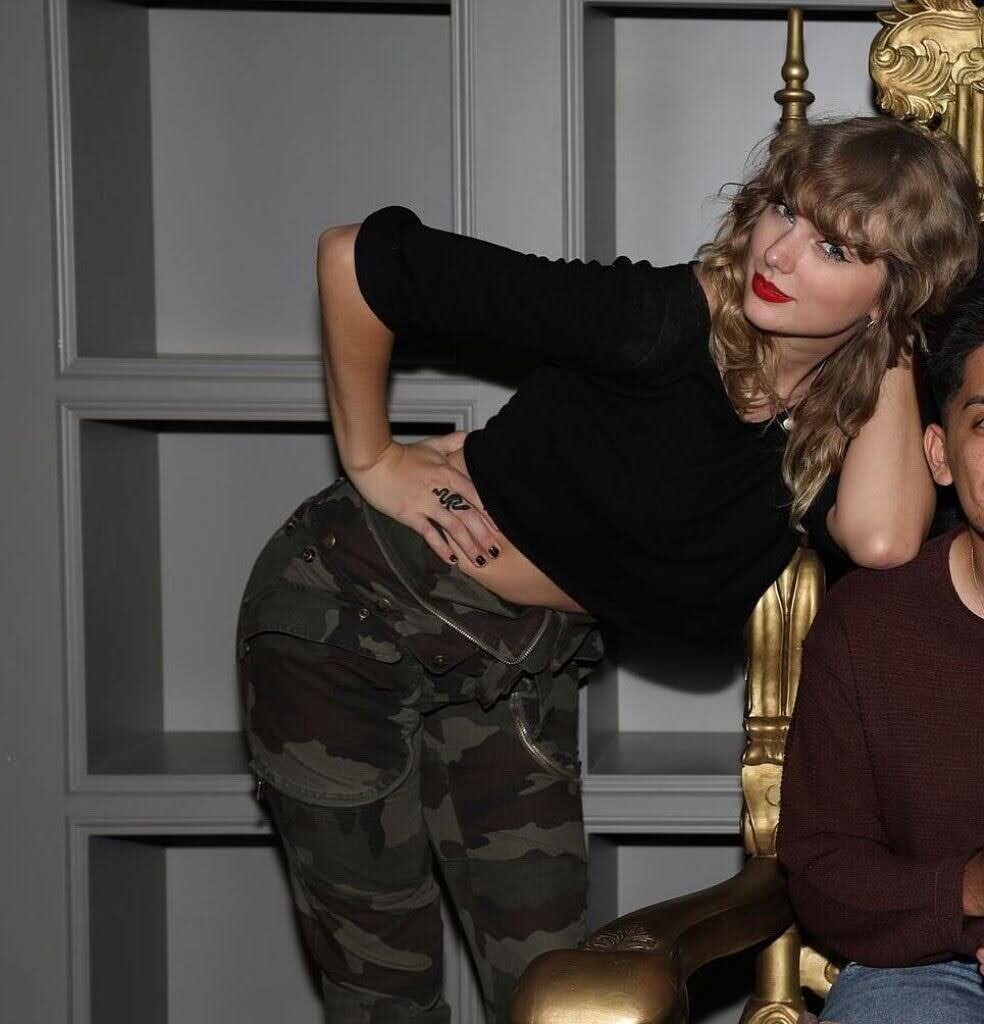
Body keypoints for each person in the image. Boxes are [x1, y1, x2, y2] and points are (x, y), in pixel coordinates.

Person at [236, 116, 980, 1024]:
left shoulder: (829, 413)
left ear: (892, 294)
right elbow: (355, 257)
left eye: (834, 248)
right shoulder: (657, 321)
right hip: (355, 619)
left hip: (522, 665)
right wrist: (372, 459)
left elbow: (884, 539)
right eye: (784, 210)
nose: (780, 253)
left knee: (563, 993)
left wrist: (894, 337)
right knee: (386, 992)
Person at [778, 268, 984, 1024]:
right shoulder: (868, 626)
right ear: (940, 454)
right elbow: (822, 868)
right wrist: (965, 889)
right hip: (925, 964)